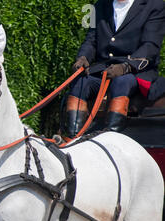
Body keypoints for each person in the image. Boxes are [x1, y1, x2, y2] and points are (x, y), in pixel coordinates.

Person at [66, 0, 165, 137]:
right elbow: (91, 39)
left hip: (136, 71)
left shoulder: (155, 5)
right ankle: (72, 137)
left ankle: (111, 136)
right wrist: (83, 57)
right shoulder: (99, 5)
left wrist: (126, 67)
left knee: (121, 82)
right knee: (80, 82)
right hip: (105, 69)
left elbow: (150, 46)